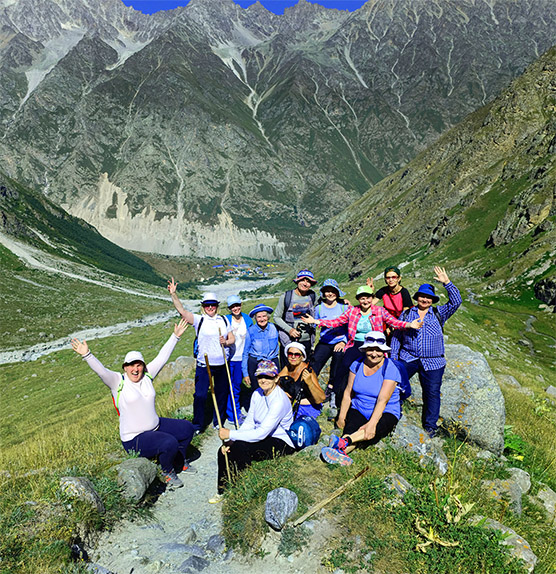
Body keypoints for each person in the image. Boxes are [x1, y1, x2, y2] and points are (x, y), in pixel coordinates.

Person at [71, 319, 195, 489]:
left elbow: (162, 357)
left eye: (138, 365)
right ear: (125, 367)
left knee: (187, 429)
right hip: (134, 438)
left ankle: (180, 461)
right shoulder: (117, 381)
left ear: (143, 366)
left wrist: (175, 337)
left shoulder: (147, 376)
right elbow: (101, 371)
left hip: (156, 427)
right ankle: (167, 471)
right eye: (130, 366)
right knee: (169, 442)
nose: (135, 369)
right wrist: (87, 355)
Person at [301, 285, 422, 411]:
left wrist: (409, 325)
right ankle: (337, 396)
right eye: (362, 298)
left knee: (378, 368)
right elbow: (336, 322)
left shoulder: (380, 311)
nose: (365, 301)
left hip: (374, 345)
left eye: (368, 298)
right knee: (344, 366)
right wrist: (316, 321)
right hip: (356, 343)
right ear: (358, 299)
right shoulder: (352, 311)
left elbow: (394, 322)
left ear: (372, 298)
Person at [390, 266, 462, 438]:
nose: (425, 299)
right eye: (422, 296)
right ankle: (393, 413)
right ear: (417, 298)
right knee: (394, 384)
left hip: (433, 361)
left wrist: (447, 282)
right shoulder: (407, 314)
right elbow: (397, 336)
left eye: (429, 297)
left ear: (432, 300)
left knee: (432, 393)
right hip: (408, 357)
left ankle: (430, 426)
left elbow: (456, 302)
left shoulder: (439, 313)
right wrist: (393, 359)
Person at [209, 360, 295, 502]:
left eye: (268, 376)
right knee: (224, 450)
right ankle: (222, 489)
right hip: (264, 435)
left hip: (281, 441)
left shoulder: (279, 400)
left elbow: (261, 433)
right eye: (260, 376)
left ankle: (240, 488)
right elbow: (249, 422)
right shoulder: (257, 393)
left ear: (276, 378)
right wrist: (232, 439)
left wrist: (230, 434)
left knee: (241, 448)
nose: (263, 380)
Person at [321, 331, 402, 466]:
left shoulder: (390, 369)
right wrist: (341, 417)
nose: (374, 354)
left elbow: (383, 400)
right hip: (360, 407)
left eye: (378, 350)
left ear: (384, 351)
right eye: (370, 349)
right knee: (351, 429)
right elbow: (348, 392)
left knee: (373, 431)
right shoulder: (357, 365)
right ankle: (340, 452)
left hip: (385, 411)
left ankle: (344, 442)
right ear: (365, 350)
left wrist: (372, 424)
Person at [167, 278, 234, 432]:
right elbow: (182, 312)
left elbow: (232, 339)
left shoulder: (224, 320)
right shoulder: (199, 320)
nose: (210, 307)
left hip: (222, 363)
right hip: (205, 364)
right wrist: (173, 294)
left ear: (217, 306)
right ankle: (197, 425)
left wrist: (226, 342)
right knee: (201, 395)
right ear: (203, 307)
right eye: (207, 305)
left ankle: (218, 422)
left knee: (222, 394)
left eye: (213, 305)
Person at [312, 279, 349, 404]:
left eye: (333, 291)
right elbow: (314, 325)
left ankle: (331, 386)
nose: (330, 293)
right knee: (315, 362)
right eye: (327, 291)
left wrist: (344, 342)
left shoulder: (344, 307)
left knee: (338, 358)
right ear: (323, 293)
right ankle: (312, 387)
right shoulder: (319, 309)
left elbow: (350, 327)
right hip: (325, 341)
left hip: (340, 340)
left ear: (337, 293)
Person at [273, 269, 317, 366]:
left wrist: (342, 301)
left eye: (308, 281)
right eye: (302, 280)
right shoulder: (286, 296)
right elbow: (276, 317)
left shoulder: (313, 296)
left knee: (303, 368)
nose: (305, 283)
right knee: (287, 369)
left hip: (306, 340)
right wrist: (290, 330)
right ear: (297, 281)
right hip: (288, 341)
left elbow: (327, 302)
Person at [241, 304, 280, 409]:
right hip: (256, 363)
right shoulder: (251, 331)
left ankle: (273, 410)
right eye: (259, 317)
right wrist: (245, 374)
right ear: (255, 318)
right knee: (257, 390)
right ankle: (258, 410)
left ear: (268, 317)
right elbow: (245, 353)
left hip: (272, 362)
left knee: (274, 388)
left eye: (264, 316)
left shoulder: (274, 328)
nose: (262, 319)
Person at [278, 342, 325, 420]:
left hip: (307, 406)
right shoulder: (288, 367)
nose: (293, 357)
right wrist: (282, 393)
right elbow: (275, 382)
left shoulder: (307, 371)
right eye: (290, 354)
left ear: (302, 357)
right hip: (293, 403)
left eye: (297, 355)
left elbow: (321, 398)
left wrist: (310, 383)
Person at [225, 295, 253, 426]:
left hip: (243, 358)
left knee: (236, 386)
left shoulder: (247, 319)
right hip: (230, 358)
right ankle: (233, 414)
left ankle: (234, 411)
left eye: (237, 305)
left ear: (241, 304)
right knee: (232, 386)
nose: (235, 308)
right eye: (232, 306)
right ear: (229, 308)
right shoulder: (226, 320)